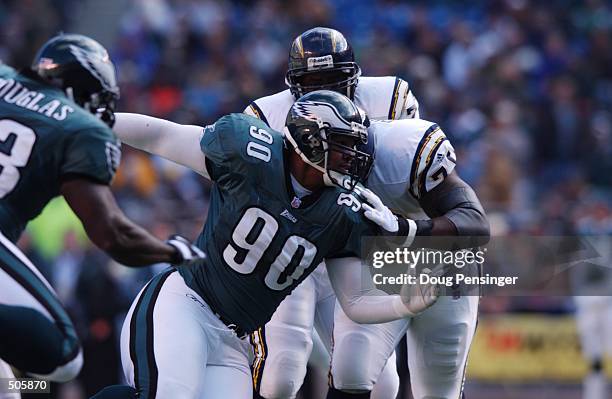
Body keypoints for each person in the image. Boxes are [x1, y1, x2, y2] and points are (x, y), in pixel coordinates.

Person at [95, 90, 438, 399]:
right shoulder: (249, 153)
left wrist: (402, 303)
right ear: (311, 140)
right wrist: (95, 120)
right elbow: (164, 137)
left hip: (235, 340)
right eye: (343, 145)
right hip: (185, 302)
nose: (353, 157)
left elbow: (356, 301)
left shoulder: (342, 211)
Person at [244, 27, 489, 399]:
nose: (333, 155)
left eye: (344, 142)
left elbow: (475, 223)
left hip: (436, 261)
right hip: (362, 258)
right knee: (349, 368)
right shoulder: (265, 117)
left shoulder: (400, 143)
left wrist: (406, 230)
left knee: (438, 384)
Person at [0, 33, 204, 385]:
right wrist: (174, 251)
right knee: (65, 358)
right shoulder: (81, 130)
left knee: (8, 384)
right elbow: (112, 235)